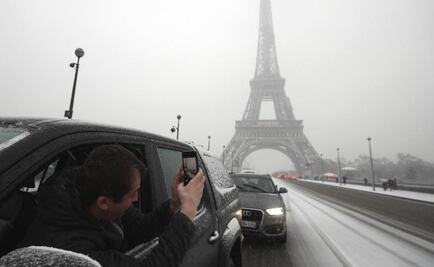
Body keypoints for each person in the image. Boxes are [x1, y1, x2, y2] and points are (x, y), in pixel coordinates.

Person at [21, 144, 205, 267]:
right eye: (133, 193)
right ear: (104, 202)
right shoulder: (72, 253)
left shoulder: (96, 196)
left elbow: (140, 227)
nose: (136, 199)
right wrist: (188, 209)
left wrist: (174, 204)